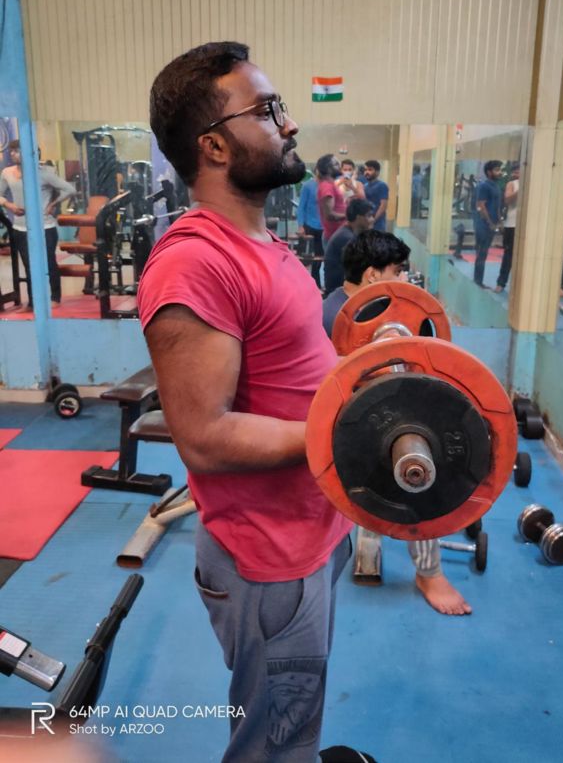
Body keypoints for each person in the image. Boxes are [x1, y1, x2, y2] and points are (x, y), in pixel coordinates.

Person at [138, 42, 376, 763]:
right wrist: (345, 428)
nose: (289, 123)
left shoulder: (263, 243)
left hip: (312, 530)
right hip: (268, 559)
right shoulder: (196, 261)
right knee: (273, 745)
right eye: (268, 111)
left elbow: (298, 370)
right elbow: (204, 436)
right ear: (213, 145)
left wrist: (369, 359)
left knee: (293, 729)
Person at [322, 230, 472, 616]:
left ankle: (376, 545)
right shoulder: (332, 317)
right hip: (347, 428)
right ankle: (429, 573)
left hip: (373, 419)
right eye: (398, 271)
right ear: (373, 275)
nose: (405, 280)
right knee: (422, 472)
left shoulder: (352, 305)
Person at [0, 140, 76, 309]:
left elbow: (70, 189)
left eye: (17, 151)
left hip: (45, 227)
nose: (12, 154)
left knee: (49, 262)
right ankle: (33, 301)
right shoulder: (7, 172)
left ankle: (55, 297)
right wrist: (9, 205)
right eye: (11, 151)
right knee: (28, 265)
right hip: (20, 227)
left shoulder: (44, 173)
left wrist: (53, 203)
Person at [322, 198, 374, 295]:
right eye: (369, 216)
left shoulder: (349, 233)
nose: (372, 220)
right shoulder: (346, 238)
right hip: (339, 290)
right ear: (358, 217)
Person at [473, 160, 502, 287]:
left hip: (492, 225)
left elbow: (497, 206)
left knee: (484, 253)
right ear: (489, 172)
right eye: (497, 170)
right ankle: (478, 281)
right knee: (481, 253)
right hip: (483, 225)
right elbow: (481, 205)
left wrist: (499, 221)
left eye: (500, 169)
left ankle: (478, 280)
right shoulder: (484, 186)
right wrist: (489, 222)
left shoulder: (496, 186)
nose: (500, 172)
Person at [296, 167, 324, 288]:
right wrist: (301, 225)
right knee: (305, 258)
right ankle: (302, 284)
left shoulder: (329, 186)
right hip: (309, 226)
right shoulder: (308, 186)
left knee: (319, 258)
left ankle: (317, 284)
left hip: (323, 228)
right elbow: (301, 207)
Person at [494, 162, 519, 293]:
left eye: (517, 171)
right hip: (512, 224)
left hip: (527, 226)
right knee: (508, 255)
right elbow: (508, 199)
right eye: (514, 172)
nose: (515, 174)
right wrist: (520, 189)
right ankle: (501, 283)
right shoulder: (512, 184)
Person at [316, 153, 346, 247]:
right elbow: (329, 215)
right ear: (328, 169)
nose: (340, 166)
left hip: (337, 234)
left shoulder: (331, 185)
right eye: (336, 164)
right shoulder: (327, 186)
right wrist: (349, 216)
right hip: (334, 236)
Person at [363, 160, 389, 231]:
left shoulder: (382, 185)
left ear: (377, 172)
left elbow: (383, 206)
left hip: (378, 225)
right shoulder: (364, 186)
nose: (366, 172)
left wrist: (373, 221)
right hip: (366, 224)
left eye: (370, 170)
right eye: (365, 170)